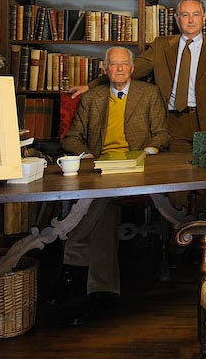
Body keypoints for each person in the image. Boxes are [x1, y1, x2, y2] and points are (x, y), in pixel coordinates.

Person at [56, 45, 170, 326]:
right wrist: (86, 155)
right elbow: (71, 138)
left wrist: (148, 152)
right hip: (100, 169)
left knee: (97, 202)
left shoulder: (149, 93)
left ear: (132, 68)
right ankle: (101, 290)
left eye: (124, 64)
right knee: (102, 206)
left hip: (135, 168)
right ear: (105, 70)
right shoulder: (93, 98)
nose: (119, 69)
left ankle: (74, 264)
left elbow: (161, 134)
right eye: (113, 65)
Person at [70, 0, 206, 152]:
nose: (190, 20)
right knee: (175, 171)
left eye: (195, 14)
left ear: (204, 18)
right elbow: (128, 70)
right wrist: (90, 86)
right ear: (177, 19)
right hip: (171, 121)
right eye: (185, 15)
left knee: (205, 172)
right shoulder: (161, 46)